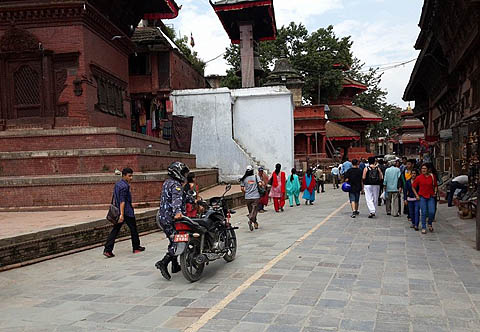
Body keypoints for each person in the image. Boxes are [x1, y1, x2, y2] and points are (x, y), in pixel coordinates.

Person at [155, 162, 190, 280]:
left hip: (163, 218)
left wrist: (194, 201)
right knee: (178, 241)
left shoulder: (167, 183)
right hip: (172, 219)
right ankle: (163, 263)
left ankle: (175, 265)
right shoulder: (176, 185)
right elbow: (176, 200)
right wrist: (178, 213)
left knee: (173, 239)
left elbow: (183, 196)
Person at [104, 168, 145, 258]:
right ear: (124, 175)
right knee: (133, 229)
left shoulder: (118, 184)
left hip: (119, 210)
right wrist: (122, 214)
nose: (131, 178)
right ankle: (136, 247)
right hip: (126, 212)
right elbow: (122, 201)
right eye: (129, 176)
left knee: (115, 230)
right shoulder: (125, 186)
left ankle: (108, 249)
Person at [412, 164, 438, 234]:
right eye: (422, 168)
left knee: (432, 211)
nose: (423, 170)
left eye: (425, 168)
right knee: (423, 212)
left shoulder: (432, 177)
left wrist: (435, 192)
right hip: (422, 197)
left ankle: (429, 223)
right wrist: (416, 195)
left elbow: (435, 185)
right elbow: (413, 186)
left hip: (431, 196)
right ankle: (423, 227)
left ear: (428, 169)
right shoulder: (419, 177)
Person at [240, 165, 262, 231]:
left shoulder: (244, 178)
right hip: (255, 196)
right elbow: (260, 184)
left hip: (247, 197)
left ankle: (254, 222)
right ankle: (251, 220)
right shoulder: (256, 177)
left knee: (251, 211)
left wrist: (246, 192)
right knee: (254, 210)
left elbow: (242, 188)